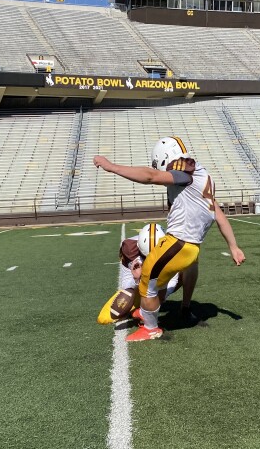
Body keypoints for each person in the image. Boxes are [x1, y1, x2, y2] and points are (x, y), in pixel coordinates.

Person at [93, 136, 245, 342]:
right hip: (192, 247)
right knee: (165, 278)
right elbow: (219, 215)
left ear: (165, 157)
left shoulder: (184, 170)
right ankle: (176, 309)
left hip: (179, 242)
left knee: (147, 279)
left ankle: (151, 327)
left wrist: (111, 167)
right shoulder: (203, 176)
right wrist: (233, 246)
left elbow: (149, 176)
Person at [96, 223, 182, 326]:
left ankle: (185, 308)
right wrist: (137, 279)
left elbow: (173, 282)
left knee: (186, 272)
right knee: (104, 318)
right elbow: (126, 285)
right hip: (140, 284)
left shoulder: (172, 250)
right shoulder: (129, 249)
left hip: (160, 281)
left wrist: (160, 295)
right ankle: (141, 305)